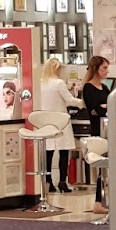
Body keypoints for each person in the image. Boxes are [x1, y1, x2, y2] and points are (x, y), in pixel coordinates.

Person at [35, 57, 79, 193]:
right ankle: (62, 182)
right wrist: (82, 102)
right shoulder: (59, 83)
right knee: (64, 151)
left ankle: (48, 182)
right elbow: (70, 100)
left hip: (45, 121)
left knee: (48, 152)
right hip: (61, 120)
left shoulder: (40, 83)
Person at [78, 57, 114, 210]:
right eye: (104, 68)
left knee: (109, 166)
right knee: (102, 167)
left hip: (109, 129)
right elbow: (96, 110)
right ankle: (99, 202)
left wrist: (104, 107)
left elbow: (111, 105)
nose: (107, 71)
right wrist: (103, 107)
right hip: (98, 131)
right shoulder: (88, 88)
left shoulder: (104, 88)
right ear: (95, 69)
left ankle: (103, 200)